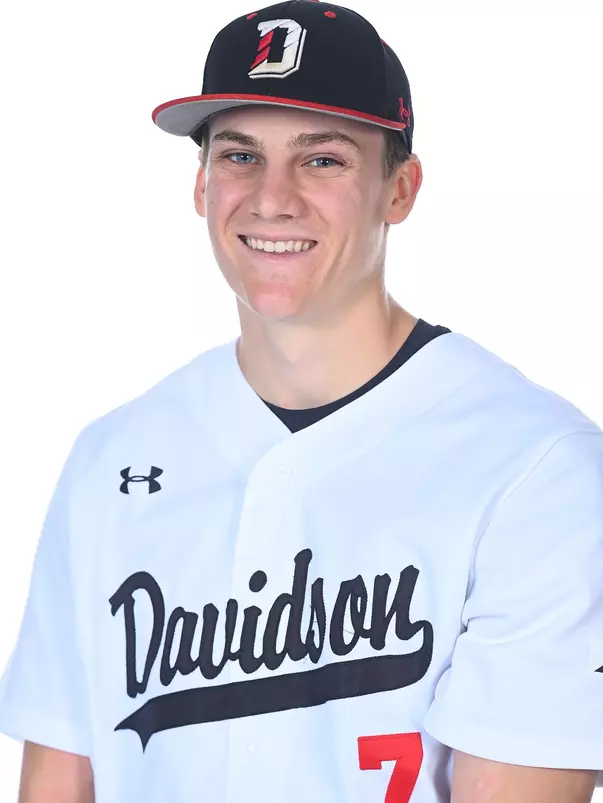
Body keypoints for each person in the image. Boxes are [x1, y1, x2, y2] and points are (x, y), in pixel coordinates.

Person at [1, 1, 602, 801]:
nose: (271, 198)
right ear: (200, 183)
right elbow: (57, 779)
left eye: (322, 160)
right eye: (239, 155)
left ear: (401, 188)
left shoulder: (537, 468)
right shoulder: (110, 457)